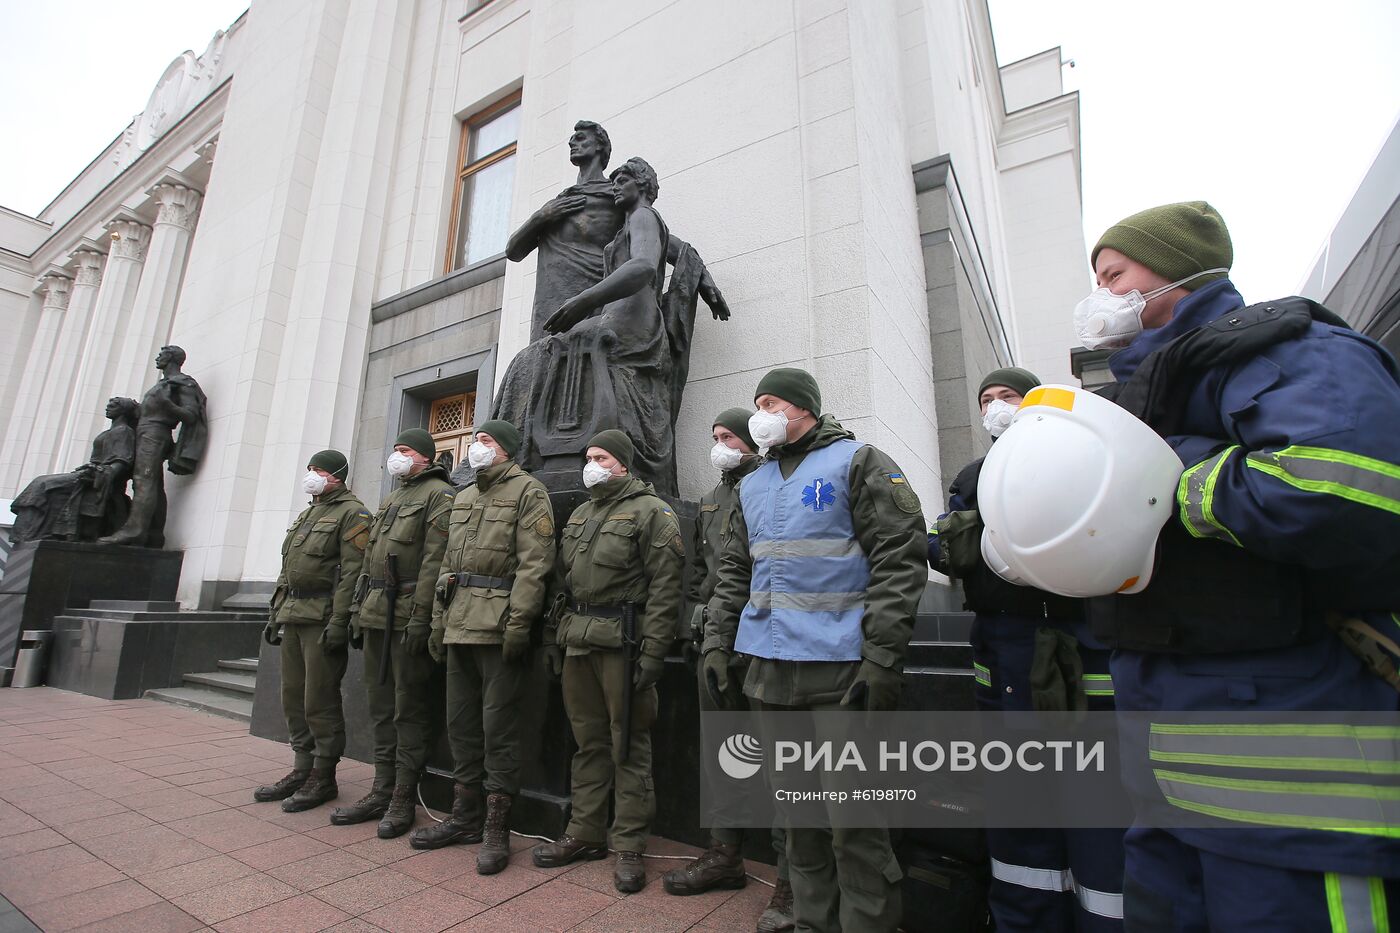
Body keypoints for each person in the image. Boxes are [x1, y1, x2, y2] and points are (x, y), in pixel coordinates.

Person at [1076, 202, 1400, 930]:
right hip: (1171, 797)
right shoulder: (1139, 396)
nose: (1100, 297)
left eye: (1113, 274)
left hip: (1304, 807)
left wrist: (1168, 477)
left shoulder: (1290, 350)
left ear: (1180, 269)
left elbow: (1346, 482)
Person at [703, 368, 927, 932]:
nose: (761, 413)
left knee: (854, 820)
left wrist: (882, 657)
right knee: (798, 818)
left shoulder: (858, 462)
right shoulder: (752, 484)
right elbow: (734, 571)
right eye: (756, 403)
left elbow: (899, 560)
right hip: (769, 672)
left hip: (841, 671)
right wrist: (716, 642)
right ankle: (811, 921)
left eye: (771, 401)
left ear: (803, 408)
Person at [929, 367, 1124, 931]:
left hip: (1081, 649)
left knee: (1097, 805)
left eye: (1006, 396)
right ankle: (1025, 920)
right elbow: (949, 550)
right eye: (985, 398)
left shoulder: (1075, 457)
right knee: (1019, 806)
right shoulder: (974, 474)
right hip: (1003, 652)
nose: (994, 407)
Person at [532, 429, 684, 894]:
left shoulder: (652, 513)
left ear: (622, 463)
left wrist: (655, 652)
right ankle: (585, 833)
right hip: (579, 640)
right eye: (588, 456)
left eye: (599, 456)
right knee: (589, 743)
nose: (591, 463)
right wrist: (555, 638)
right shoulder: (580, 512)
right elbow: (561, 582)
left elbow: (665, 591)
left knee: (628, 745)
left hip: (624, 644)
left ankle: (630, 845)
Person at [663, 409, 793, 931]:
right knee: (726, 750)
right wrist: (699, 614)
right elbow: (699, 570)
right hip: (717, 640)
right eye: (714, 437)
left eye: (728, 437)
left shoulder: (774, 483)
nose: (719, 445)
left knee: (784, 760)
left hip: (769, 640)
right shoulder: (712, 499)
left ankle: (791, 877)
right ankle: (725, 853)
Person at [409, 420, 556, 877]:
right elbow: (446, 567)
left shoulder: (529, 492)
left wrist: (519, 624)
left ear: (507, 449)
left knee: (499, 729)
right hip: (457, 626)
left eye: (485, 441)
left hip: (496, 628)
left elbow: (535, 565)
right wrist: (437, 622)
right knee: (462, 726)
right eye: (475, 440)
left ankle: (496, 825)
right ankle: (464, 815)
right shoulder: (465, 496)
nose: (476, 447)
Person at [331, 428, 454, 838]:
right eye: (395, 448)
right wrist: (355, 610)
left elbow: (435, 563)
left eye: (403, 450)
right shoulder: (392, 497)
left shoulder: (439, 495)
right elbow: (369, 560)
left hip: (406, 618)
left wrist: (422, 618)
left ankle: (403, 793)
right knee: (381, 706)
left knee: (409, 707)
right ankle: (381, 788)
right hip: (376, 613)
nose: (396, 456)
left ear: (423, 456)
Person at [255, 449, 372, 812]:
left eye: (319, 469)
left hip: (322, 617)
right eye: (310, 469)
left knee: (318, 699)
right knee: (293, 697)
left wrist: (341, 621)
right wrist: (275, 613)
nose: (312, 475)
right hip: (293, 613)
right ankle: (301, 768)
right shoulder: (309, 513)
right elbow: (287, 567)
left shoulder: (353, 513)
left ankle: (324, 776)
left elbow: (353, 574)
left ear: (337, 474)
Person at [98, 345, 207, 547]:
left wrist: (168, 406)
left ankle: (134, 531)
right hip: (145, 432)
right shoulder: (162, 384)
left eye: (162, 355)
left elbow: (191, 415)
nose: (157, 358)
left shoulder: (181, 383)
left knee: (143, 480)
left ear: (173, 358)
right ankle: (153, 533)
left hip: (156, 434)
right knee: (152, 483)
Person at [12, 396, 138, 543]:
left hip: (99, 478)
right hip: (90, 472)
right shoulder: (106, 433)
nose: (108, 407)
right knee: (40, 481)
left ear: (123, 410)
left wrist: (101, 473)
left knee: (44, 485)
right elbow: (96, 460)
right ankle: (27, 533)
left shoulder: (124, 431)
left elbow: (122, 462)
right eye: (108, 404)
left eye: (113, 405)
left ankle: (31, 533)